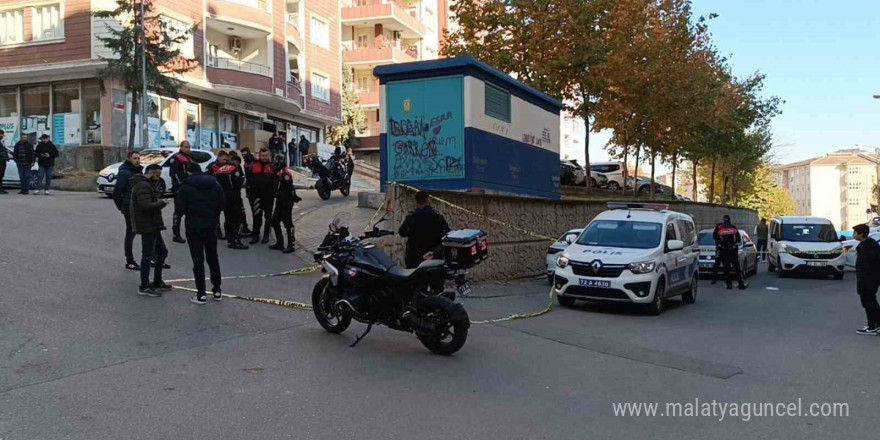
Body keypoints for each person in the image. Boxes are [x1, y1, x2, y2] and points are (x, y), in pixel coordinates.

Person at [175, 167, 226, 304]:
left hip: (193, 226)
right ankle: (217, 290)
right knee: (213, 258)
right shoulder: (215, 184)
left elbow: (179, 208)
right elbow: (222, 204)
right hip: (211, 225)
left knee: (198, 261)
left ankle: (201, 294)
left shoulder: (186, 186)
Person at [130, 164, 171, 297]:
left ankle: (157, 281)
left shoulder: (147, 185)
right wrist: (162, 203)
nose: (158, 179)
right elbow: (146, 206)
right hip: (147, 225)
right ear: (151, 173)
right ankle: (144, 286)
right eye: (157, 176)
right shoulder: (142, 185)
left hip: (152, 224)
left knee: (162, 252)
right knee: (147, 255)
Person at [398, 191, 450, 269]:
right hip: (432, 257)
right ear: (428, 201)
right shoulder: (437, 217)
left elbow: (402, 232)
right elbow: (447, 234)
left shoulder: (412, 217)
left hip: (414, 259)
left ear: (416, 203)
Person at [113, 151, 143, 270]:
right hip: (129, 207)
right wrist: (122, 206)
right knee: (131, 233)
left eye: (138, 158)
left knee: (147, 230)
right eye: (135, 158)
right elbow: (117, 192)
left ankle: (152, 257)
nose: (137, 160)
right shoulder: (125, 172)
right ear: (129, 159)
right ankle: (129, 260)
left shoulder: (138, 171)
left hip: (139, 206)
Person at [215, 154, 249, 250]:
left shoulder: (220, 169)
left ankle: (229, 239)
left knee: (227, 219)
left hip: (222, 196)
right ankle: (236, 240)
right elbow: (237, 183)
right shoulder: (233, 170)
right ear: (236, 162)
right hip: (233, 196)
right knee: (236, 219)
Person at [269, 154, 301, 253]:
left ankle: (291, 245)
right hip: (280, 201)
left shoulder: (285, 173)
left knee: (288, 224)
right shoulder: (278, 172)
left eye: (276, 161)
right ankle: (280, 243)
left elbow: (289, 188)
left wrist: (282, 196)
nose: (275, 163)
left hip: (286, 202)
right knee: (274, 221)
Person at [853, 224, 880, 335]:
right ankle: (876, 324)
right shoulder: (868, 245)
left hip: (868, 280)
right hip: (869, 279)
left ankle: (871, 326)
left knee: (869, 303)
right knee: (871, 302)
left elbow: (868, 266)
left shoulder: (867, 247)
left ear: (861, 234)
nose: (853, 234)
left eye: (855, 232)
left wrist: (865, 280)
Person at [246, 148, 277, 245]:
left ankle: (266, 235)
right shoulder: (253, 166)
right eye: (262, 155)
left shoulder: (273, 167)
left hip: (269, 196)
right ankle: (255, 235)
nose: (264, 157)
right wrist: (250, 195)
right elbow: (249, 181)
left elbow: (276, 181)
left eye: (266, 155)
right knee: (256, 216)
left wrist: (274, 192)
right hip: (256, 196)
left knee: (268, 216)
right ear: (259, 156)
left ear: (269, 156)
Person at [168, 141, 195, 244]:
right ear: (181, 147)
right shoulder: (176, 158)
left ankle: (191, 233)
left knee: (191, 211)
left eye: (189, 147)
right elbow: (174, 174)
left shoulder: (190, 158)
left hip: (189, 188)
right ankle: (176, 234)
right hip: (180, 189)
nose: (188, 149)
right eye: (186, 147)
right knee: (178, 212)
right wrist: (180, 186)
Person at [713, 215, 748, 290]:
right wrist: (721, 244)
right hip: (729, 250)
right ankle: (737, 284)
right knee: (733, 269)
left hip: (728, 250)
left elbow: (715, 236)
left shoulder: (725, 228)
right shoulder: (726, 227)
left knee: (730, 269)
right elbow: (738, 239)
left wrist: (720, 243)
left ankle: (732, 284)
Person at [207, 151, 230, 240]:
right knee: (215, 214)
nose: (225, 161)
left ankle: (228, 232)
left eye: (226, 159)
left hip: (225, 192)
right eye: (224, 159)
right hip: (215, 193)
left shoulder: (228, 166)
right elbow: (208, 178)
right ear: (219, 157)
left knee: (227, 213)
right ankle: (217, 231)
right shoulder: (212, 166)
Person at [0, 129, 8, 195]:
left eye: (2, 134)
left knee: (1, 175)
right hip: (1, 160)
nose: (2, 135)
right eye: (1, 134)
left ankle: (1, 188)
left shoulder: (2, 142)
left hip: (3, 161)